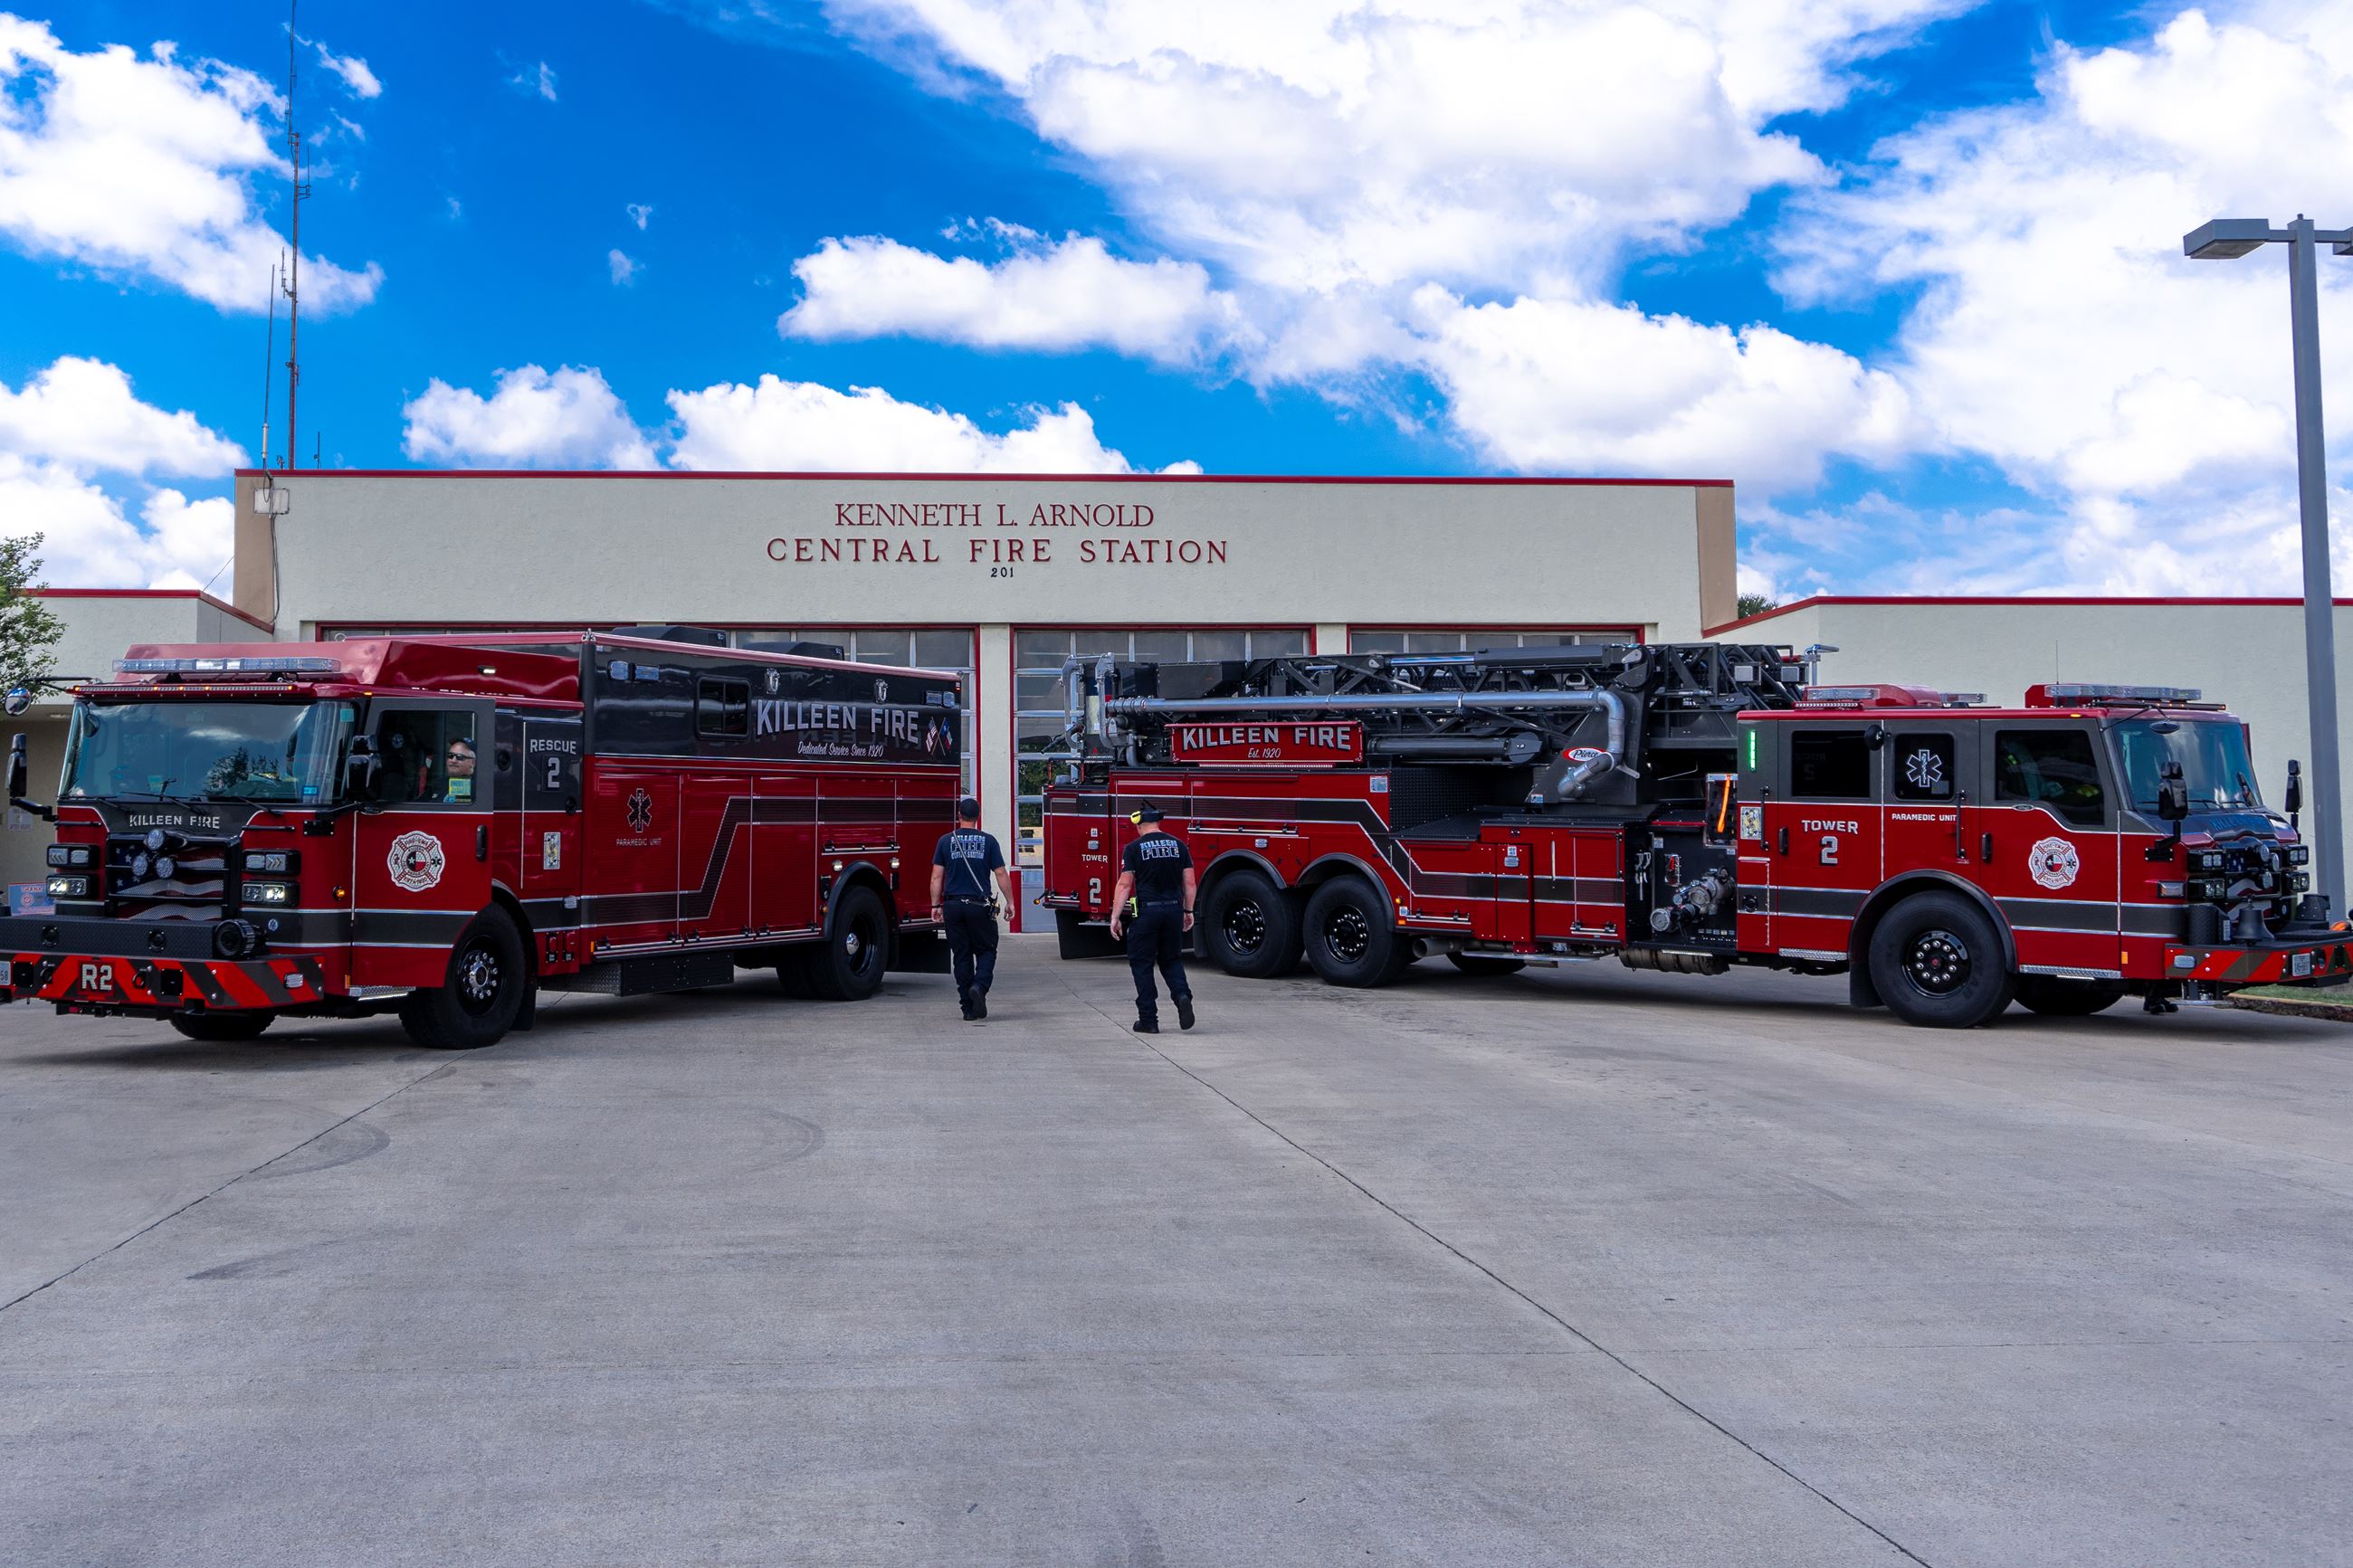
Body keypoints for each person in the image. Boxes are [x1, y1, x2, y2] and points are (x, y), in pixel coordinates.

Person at [1107, 803, 1196, 1033]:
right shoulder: (1179, 846)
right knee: (1172, 960)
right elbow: (1190, 883)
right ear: (1157, 823)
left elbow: (1125, 884)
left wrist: (1115, 917)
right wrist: (1188, 911)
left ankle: (1149, 1020)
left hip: (1147, 912)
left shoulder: (1134, 848)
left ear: (1139, 825)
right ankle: (1182, 995)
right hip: (1174, 911)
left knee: (1142, 964)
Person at [930, 796, 1015, 1020]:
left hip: (953, 905)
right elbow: (1000, 874)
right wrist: (1011, 902)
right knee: (987, 950)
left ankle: (967, 1008)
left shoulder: (944, 842)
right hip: (979, 905)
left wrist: (935, 905)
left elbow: (936, 877)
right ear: (978, 817)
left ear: (959, 815)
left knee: (961, 955)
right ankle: (979, 986)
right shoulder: (989, 842)